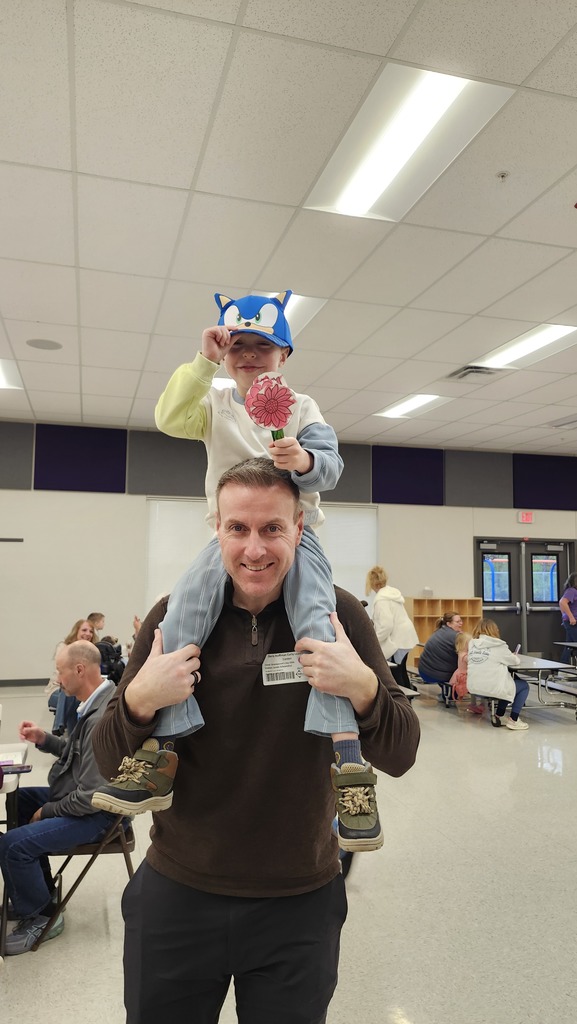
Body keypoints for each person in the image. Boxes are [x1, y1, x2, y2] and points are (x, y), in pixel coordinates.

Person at [92, 458, 420, 1023]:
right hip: (178, 892)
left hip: (299, 902)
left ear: (299, 529)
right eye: (237, 528)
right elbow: (106, 758)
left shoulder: (339, 614)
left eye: (272, 528)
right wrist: (140, 700)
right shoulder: (173, 617)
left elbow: (401, 752)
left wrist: (363, 688)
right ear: (215, 529)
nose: (254, 548)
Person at [93, 291, 381, 852]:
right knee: (183, 612)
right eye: (237, 346)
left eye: (263, 347)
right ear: (224, 353)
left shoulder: (302, 407)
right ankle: (162, 748)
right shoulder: (217, 400)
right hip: (225, 536)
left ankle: (348, 759)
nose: (249, 355)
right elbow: (169, 417)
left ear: (285, 356)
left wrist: (301, 460)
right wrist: (201, 363)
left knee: (318, 623)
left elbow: (331, 466)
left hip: (295, 537)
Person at [0, 641, 121, 955]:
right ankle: (40, 891)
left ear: (79, 670)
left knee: (12, 844)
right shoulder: (96, 701)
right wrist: (44, 739)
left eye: (60, 670)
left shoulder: (98, 720)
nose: (58, 677)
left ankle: (40, 917)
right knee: (20, 800)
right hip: (84, 796)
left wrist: (48, 811)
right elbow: (74, 755)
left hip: (98, 813)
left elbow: (91, 798)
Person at [468, 619, 530, 730]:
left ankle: (499, 715)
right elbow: (515, 661)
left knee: (508, 684)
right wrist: (512, 655)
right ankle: (513, 720)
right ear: (494, 631)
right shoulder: (499, 645)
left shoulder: (472, 644)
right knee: (523, 686)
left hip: (473, 687)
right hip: (491, 687)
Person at [366, 566, 418, 681]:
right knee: (401, 671)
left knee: (396, 674)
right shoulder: (391, 594)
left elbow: (386, 626)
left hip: (399, 640)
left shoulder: (381, 600)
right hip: (405, 638)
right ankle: (406, 696)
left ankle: (402, 697)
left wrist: (374, 641)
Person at [49, 618, 97, 736]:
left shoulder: (92, 651)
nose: (88, 634)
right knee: (72, 692)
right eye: (84, 630)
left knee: (75, 697)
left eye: (91, 631)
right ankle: (67, 732)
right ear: (76, 631)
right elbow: (61, 677)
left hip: (80, 691)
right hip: (57, 691)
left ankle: (67, 734)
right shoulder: (64, 647)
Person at [418, 610, 463, 700]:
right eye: (458, 622)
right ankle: (452, 695)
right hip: (434, 674)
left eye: (461, 621)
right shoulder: (455, 636)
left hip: (424, 670)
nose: (461, 623)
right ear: (449, 624)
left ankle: (447, 693)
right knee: (464, 667)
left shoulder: (439, 631)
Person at [559, 572, 577, 664]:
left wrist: (565, 617)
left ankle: (563, 669)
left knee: (569, 646)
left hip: (571, 622)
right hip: (573, 623)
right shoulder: (572, 591)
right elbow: (562, 602)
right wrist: (570, 617)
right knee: (572, 645)